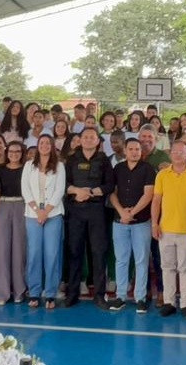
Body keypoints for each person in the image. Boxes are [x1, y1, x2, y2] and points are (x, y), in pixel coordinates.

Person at [152, 141, 186, 319]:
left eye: (181, 152)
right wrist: (154, 224)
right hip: (165, 229)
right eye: (174, 152)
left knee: (185, 268)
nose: (177, 154)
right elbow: (156, 201)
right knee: (167, 267)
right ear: (170, 154)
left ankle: (185, 304)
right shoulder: (162, 175)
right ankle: (169, 302)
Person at [64, 127, 115, 309]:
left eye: (91, 137)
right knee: (74, 252)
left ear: (97, 141)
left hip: (97, 211)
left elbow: (110, 184)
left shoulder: (104, 160)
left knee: (98, 252)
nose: (87, 140)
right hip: (75, 210)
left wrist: (92, 192)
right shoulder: (71, 159)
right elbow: (65, 183)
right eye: (84, 137)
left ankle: (100, 295)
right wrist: (77, 191)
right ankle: (72, 293)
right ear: (80, 140)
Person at [109, 138, 156, 313]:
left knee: (141, 260)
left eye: (137, 149)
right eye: (131, 149)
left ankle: (140, 298)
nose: (134, 152)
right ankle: (120, 296)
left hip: (141, 222)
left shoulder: (148, 169)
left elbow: (148, 194)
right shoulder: (118, 169)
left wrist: (132, 213)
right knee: (121, 260)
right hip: (119, 221)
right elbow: (112, 193)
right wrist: (122, 212)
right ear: (125, 151)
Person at [22, 135, 66, 310]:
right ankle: (34, 292)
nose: (45, 145)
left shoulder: (59, 166)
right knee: (33, 253)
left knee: (52, 254)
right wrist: (37, 210)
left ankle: (50, 293)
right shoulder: (28, 166)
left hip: (53, 214)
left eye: (48, 143)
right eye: (42, 143)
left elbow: (59, 190)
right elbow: (25, 189)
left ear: (53, 146)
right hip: (32, 215)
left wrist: (45, 212)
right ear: (37, 146)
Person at [0, 142, 27, 305]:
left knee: (20, 251)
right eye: (11, 151)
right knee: (1, 250)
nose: (14, 154)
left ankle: (19, 291)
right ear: (7, 152)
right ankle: (1, 293)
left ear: (22, 152)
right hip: (3, 207)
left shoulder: (28, 169)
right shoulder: (0, 170)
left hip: (22, 206)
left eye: (18, 151)